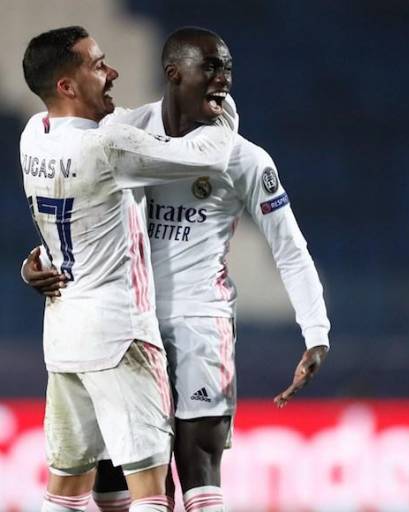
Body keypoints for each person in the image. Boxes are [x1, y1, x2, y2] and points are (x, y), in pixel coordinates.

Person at [24, 27, 331, 512]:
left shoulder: (250, 161)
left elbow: (291, 249)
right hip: (125, 324)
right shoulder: (126, 133)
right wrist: (37, 260)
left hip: (198, 321)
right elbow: (80, 204)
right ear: (173, 73)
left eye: (227, 69)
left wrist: (316, 330)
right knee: (117, 484)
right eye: (210, 68)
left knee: (198, 470)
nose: (223, 80)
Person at [20, 26, 238, 512]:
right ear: (67, 86)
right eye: (97, 65)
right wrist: (220, 108)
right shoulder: (108, 147)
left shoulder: (33, 134)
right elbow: (213, 156)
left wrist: (28, 266)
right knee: (150, 491)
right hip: (122, 337)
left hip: (64, 338)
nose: (111, 71)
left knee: (66, 490)